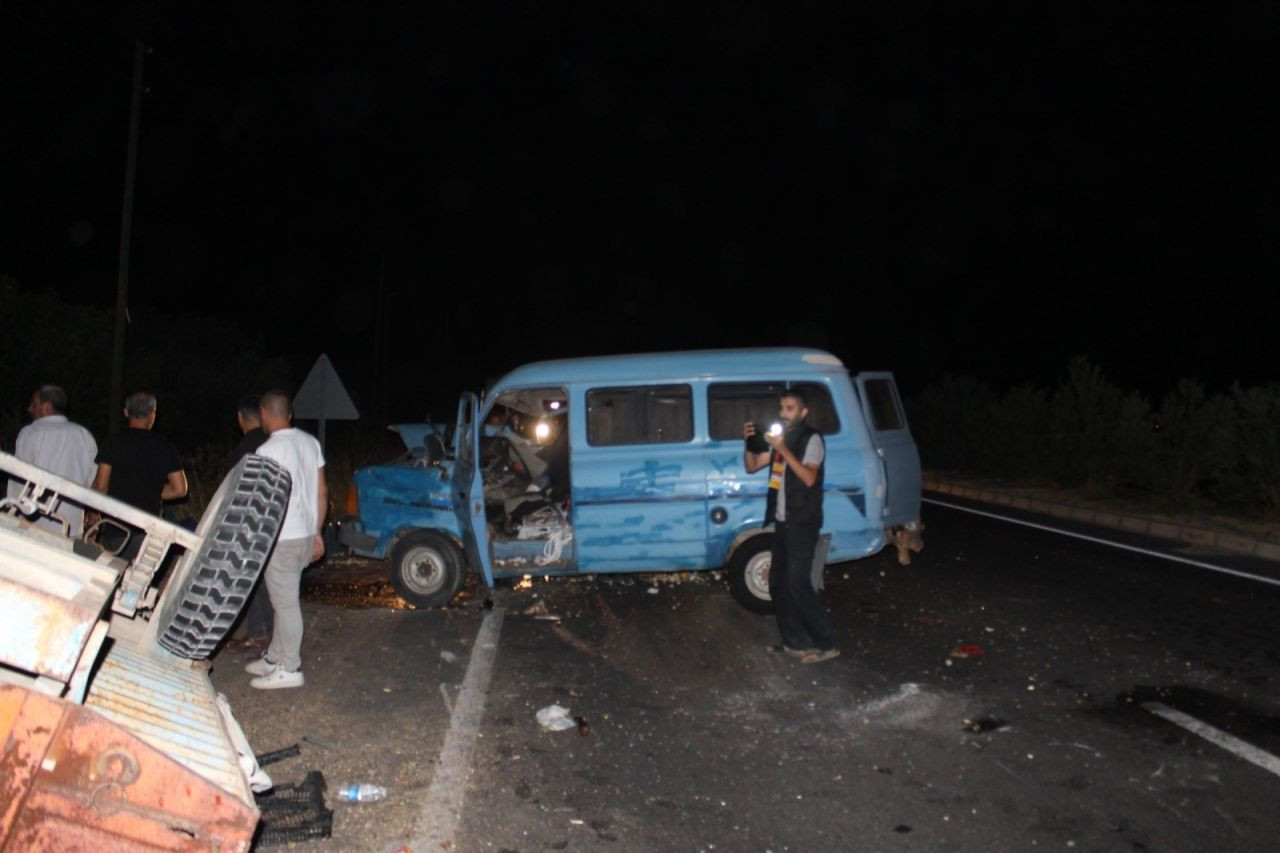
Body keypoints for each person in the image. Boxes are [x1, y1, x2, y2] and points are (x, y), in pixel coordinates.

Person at [743, 389, 839, 664]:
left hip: (803, 522)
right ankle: (794, 642)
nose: (784, 413)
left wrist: (782, 447)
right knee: (778, 583)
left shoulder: (812, 439)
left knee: (798, 584)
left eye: (790, 408)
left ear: (803, 412)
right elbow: (752, 467)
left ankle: (827, 642)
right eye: (782, 408)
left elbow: (809, 477)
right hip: (783, 521)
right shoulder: (780, 442)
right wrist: (748, 442)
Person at [244, 390, 326, 690]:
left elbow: (260, 503)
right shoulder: (310, 442)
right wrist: (318, 532)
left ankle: (290, 667)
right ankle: (275, 657)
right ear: (289, 414)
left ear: (264, 413)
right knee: (283, 601)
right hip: (304, 532)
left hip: (282, 537)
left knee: (286, 604)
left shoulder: (267, 451)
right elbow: (321, 491)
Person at [91, 391, 188, 561]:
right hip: (149, 529)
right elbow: (180, 490)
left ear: (126, 412)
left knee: (111, 577)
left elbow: (100, 486)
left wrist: (92, 515)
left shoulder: (113, 442)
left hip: (115, 528)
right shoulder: (165, 446)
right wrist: (150, 491)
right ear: (153, 415)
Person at [6, 384, 98, 536]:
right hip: (71, 528)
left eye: (34, 404)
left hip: (31, 526)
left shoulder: (32, 432)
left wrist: (11, 511)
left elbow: (19, 481)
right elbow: (93, 483)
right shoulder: (85, 435)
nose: (29, 409)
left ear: (46, 407)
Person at [226, 395, 272, 649]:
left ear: (240, 417)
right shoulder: (272, 442)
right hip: (272, 521)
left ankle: (263, 636)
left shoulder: (244, 449)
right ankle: (258, 633)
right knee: (259, 580)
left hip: (249, 523)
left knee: (254, 580)